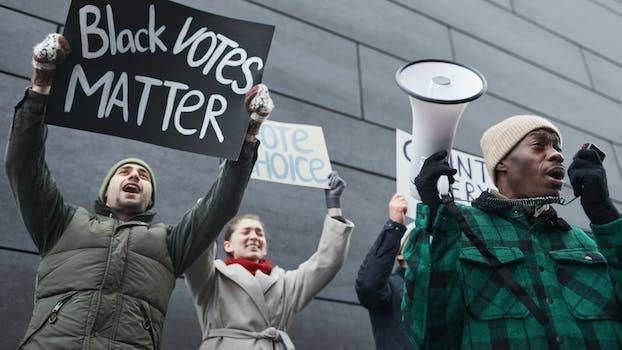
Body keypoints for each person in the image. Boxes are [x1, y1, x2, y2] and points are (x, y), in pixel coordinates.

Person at [5, 33, 272, 350]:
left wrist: (248, 134)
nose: (134, 176)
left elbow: (221, 205)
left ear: (150, 198)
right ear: (106, 192)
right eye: (125, 172)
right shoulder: (61, 223)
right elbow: (23, 166)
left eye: (143, 176)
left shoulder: (170, 244)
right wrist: (41, 83)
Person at [401, 115, 622, 349]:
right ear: (502, 162)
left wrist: (604, 214)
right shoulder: (456, 228)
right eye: (539, 146)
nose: (558, 154)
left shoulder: (585, 241)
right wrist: (436, 219)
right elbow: (429, 335)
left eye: (557, 147)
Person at [184, 172, 354, 349]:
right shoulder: (211, 278)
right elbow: (200, 244)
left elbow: (327, 263)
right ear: (227, 245)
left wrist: (334, 208)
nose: (254, 237)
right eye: (246, 231)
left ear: (265, 247)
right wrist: (224, 184)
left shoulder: (285, 284)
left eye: (259, 233)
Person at [355, 193, 414, 349]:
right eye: (416, 241)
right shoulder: (393, 289)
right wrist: (395, 226)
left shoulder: (446, 290)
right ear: (400, 254)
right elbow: (368, 285)